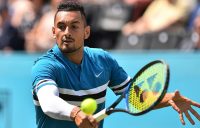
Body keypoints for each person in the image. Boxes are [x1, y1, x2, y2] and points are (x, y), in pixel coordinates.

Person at [31, 1, 200, 128]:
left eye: (74, 26)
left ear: (86, 32)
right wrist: (75, 113)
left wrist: (167, 98)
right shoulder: (45, 66)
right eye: (61, 27)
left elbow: (135, 97)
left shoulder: (103, 61)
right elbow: (48, 101)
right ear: (54, 32)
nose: (67, 32)